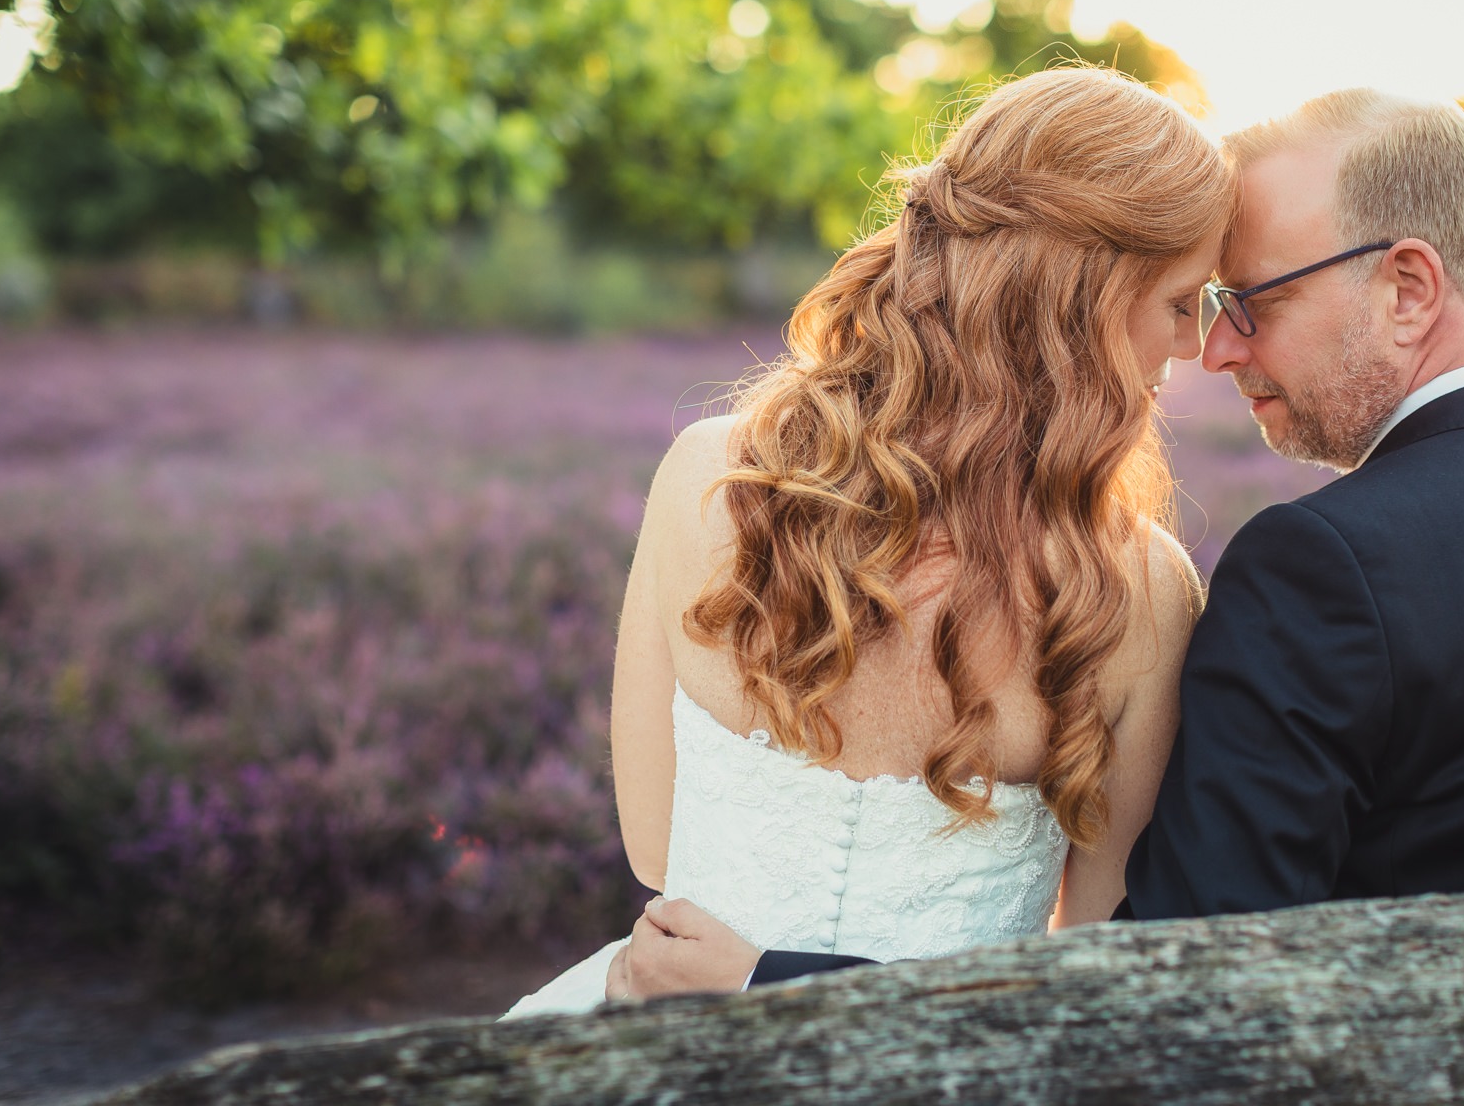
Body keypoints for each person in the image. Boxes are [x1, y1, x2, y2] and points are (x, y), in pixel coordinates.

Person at [617, 88, 1464, 998]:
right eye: (1193, 307)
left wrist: (769, 984)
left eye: (1245, 302)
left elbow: (1171, 986)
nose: (1215, 356)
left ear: (1411, 287)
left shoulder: (1321, 567)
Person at [501, 66, 1237, 1017]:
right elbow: (1082, 960)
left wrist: (757, 972)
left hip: (658, 1023)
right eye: (1183, 303)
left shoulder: (706, 478)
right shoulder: (1137, 587)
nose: (1192, 348)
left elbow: (654, 844)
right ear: (1084, 300)